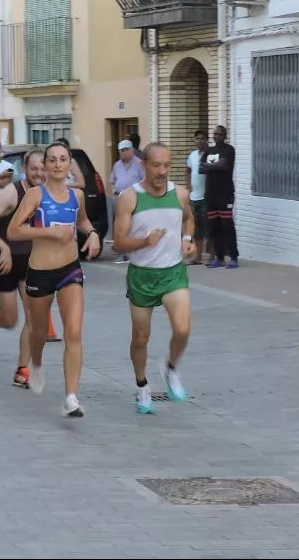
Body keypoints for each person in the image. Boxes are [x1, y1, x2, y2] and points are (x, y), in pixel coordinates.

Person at [8, 142, 101, 417]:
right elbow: (14, 230)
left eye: (63, 159)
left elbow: (82, 222)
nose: (58, 165)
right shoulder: (36, 196)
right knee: (38, 332)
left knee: (73, 332)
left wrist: (93, 233)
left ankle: (71, 396)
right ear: (46, 165)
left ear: (69, 163)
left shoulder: (77, 196)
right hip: (40, 273)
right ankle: (35, 364)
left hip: (70, 270)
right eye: (52, 160)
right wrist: (47, 232)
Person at [112, 143, 195, 415]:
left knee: (182, 330)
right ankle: (142, 386)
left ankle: (170, 368)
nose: (162, 171)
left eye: (167, 165)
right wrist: (145, 241)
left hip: (173, 272)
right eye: (156, 165)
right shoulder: (129, 197)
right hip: (142, 275)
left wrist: (187, 240)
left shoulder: (180, 194)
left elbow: (189, 219)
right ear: (143, 165)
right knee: (140, 337)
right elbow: (119, 243)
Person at [0, 149, 45, 386]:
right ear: (24, 169)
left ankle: (21, 369)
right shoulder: (12, 192)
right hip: (4, 261)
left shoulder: (47, 193)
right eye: (34, 168)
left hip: (31, 262)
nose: (39, 173)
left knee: (33, 319)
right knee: (10, 320)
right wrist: (2, 247)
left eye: (42, 168)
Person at [200, 125, 238, 268]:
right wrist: (215, 166)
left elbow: (224, 165)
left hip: (225, 193)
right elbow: (200, 169)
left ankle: (233, 257)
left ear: (224, 136)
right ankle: (219, 258)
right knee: (213, 227)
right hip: (210, 194)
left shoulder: (229, 150)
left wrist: (209, 166)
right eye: (215, 134)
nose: (216, 136)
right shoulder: (209, 150)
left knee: (227, 226)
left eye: (219, 134)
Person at [184, 129, 209, 265]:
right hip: (194, 197)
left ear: (206, 140)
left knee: (206, 227)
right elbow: (188, 170)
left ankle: (208, 255)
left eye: (202, 138)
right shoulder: (192, 155)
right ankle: (196, 254)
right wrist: (188, 186)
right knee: (195, 226)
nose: (199, 141)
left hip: (206, 197)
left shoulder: (210, 154)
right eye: (197, 139)